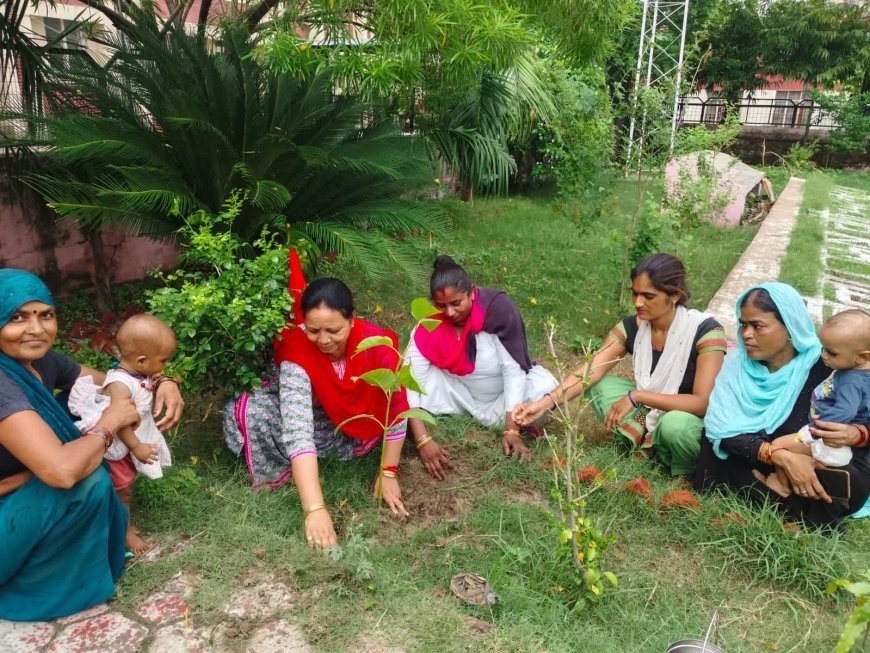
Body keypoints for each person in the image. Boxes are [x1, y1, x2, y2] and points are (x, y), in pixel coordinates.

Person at [0, 269, 185, 621]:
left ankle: (60, 557)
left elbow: (114, 380)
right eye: (17, 318)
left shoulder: (39, 362)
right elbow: (63, 470)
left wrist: (163, 380)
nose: (36, 329)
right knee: (87, 475)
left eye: (45, 315)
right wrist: (107, 426)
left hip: (16, 493)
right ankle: (36, 583)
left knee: (82, 411)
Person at [224, 277, 410, 549]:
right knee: (252, 412)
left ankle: (315, 463)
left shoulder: (376, 347)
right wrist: (314, 508)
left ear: (352, 319)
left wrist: (389, 471)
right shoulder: (297, 351)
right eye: (313, 330)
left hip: (355, 426)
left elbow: (395, 409)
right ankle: (294, 472)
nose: (323, 340)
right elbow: (298, 430)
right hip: (314, 418)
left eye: (333, 330)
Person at [512, 253, 726, 477]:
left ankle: (680, 469)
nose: (637, 303)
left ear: (674, 295)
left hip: (688, 419)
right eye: (635, 293)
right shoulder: (632, 327)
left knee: (674, 426)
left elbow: (702, 403)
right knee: (598, 385)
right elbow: (589, 371)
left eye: (648, 296)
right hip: (650, 408)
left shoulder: (706, 331)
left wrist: (638, 396)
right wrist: (546, 403)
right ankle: (649, 442)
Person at [696, 283, 870, 529]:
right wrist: (779, 456)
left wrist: (857, 434)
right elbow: (721, 432)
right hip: (760, 460)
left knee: (846, 480)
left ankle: (768, 500)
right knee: (713, 447)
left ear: (790, 326)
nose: (746, 334)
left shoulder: (829, 363)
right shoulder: (736, 366)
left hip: (817, 462)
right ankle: (796, 512)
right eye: (743, 324)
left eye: (757, 326)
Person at [405, 255, 557, 468]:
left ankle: (514, 423)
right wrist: (422, 440)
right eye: (441, 306)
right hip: (458, 396)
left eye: (456, 303)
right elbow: (410, 381)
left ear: (471, 292)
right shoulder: (428, 326)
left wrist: (511, 430)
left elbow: (512, 371)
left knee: (546, 389)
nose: (449, 312)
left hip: (503, 398)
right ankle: (481, 418)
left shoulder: (497, 310)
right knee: (406, 387)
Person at [68, 314, 178, 554]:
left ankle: (121, 522)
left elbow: (157, 381)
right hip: (114, 447)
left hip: (125, 445)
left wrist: (168, 381)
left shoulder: (138, 373)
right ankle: (123, 532)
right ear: (141, 360)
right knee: (122, 490)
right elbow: (120, 420)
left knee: (125, 487)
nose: (165, 367)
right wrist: (137, 446)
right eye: (163, 361)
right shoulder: (120, 384)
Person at [758, 309, 870, 498]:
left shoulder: (851, 381)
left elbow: (846, 411)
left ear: (862, 357)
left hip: (827, 436)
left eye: (832, 352)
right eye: (823, 347)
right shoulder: (858, 372)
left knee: (780, 445)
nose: (824, 355)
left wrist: (813, 428)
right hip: (836, 440)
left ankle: (781, 486)